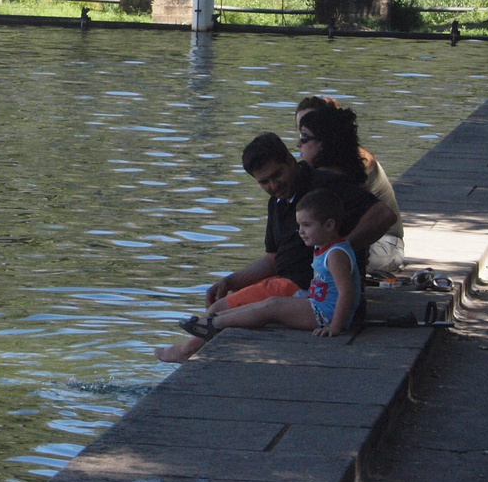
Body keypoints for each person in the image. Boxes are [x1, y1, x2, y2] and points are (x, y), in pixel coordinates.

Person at [153, 132, 396, 363]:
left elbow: (384, 214)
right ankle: (198, 348)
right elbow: (271, 259)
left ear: (291, 160)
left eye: (277, 175)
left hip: (303, 285)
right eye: (264, 182)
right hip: (285, 279)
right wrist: (231, 281)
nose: (273, 185)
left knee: (219, 309)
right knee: (221, 305)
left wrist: (338, 250)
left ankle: (185, 351)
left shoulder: (325, 186)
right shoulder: (277, 203)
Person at [179, 188, 361, 340]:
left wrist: (335, 326)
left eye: (306, 225)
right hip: (319, 307)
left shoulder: (336, 254)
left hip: (325, 315)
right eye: (299, 226)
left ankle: (215, 324)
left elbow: (347, 291)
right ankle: (214, 319)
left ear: (329, 225)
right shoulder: (324, 247)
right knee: (270, 302)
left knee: (272, 307)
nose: (301, 231)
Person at [296, 95, 405, 273]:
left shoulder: (350, 162)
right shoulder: (316, 169)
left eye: (305, 135)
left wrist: (342, 249)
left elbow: (380, 216)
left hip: (386, 242)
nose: (298, 143)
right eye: (299, 130)